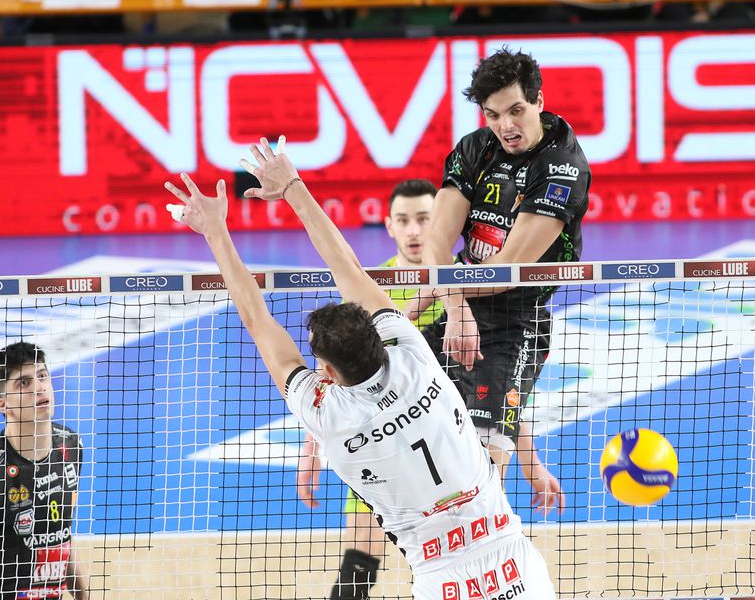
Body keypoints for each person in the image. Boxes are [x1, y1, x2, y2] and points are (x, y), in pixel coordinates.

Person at [163, 136, 557, 600]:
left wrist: (215, 232)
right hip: (516, 566)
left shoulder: (327, 415)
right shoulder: (414, 355)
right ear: (379, 335)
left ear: (327, 375)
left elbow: (256, 319)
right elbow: (345, 263)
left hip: (442, 583)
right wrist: (291, 185)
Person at [411, 47, 590, 493]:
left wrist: (441, 295)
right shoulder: (474, 149)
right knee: (399, 407)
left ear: (538, 101)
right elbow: (435, 243)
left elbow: (506, 269)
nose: (506, 126)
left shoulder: (562, 166)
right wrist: (453, 309)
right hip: (462, 307)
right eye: (493, 115)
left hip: (517, 322)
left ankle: (489, 530)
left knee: (484, 466)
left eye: (516, 111)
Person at [296, 179, 443, 600]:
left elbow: (498, 374)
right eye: (404, 220)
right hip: (376, 441)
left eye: (424, 220)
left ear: (441, 222)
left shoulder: (462, 286)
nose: (414, 230)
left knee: (449, 559)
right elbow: (334, 372)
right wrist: (312, 450)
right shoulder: (370, 286)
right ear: (389, 226)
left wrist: (531, 459)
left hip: (440, 444)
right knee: (360, 558)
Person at [0, 342, 89, 600]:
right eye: (24, 383)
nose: (39, 387)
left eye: (42, 376)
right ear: (2, 404)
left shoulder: (70, 446)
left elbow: (61, 533)